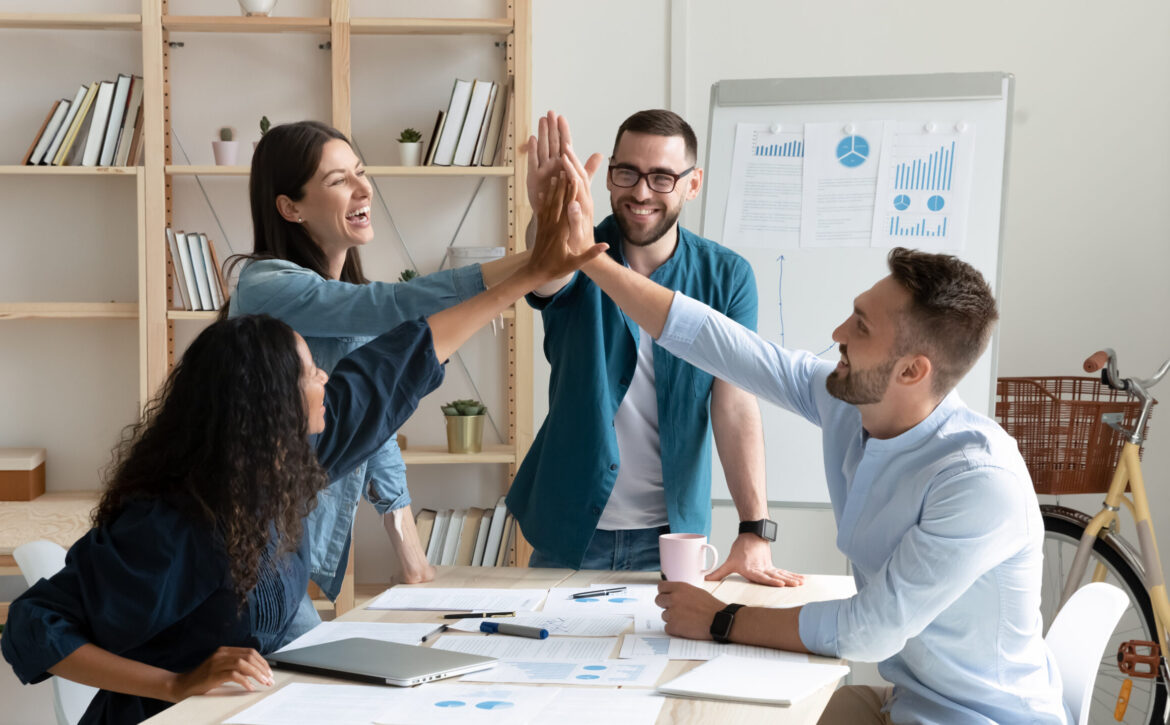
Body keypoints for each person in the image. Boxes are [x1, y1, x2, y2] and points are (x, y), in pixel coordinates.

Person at [0, 173, 605, 725]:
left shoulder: (291, 463)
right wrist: (175, 682)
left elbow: (407, 356)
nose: (325, 381)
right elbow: (33, 624)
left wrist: (529, 278)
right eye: (311, 372)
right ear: (270, 408)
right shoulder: (173, 520)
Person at [548, 157, 1067, 723]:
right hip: (910, 700)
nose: (838, 334)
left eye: (862, 328)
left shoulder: (977, 481)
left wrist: (719, 618)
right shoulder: (852, 404)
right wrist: (593, 265)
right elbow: (721, 343)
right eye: (853, 315)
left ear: (912, 372)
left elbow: (869, 631)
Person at [229, 121, 530, 618]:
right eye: (338, 180)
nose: (364, 188)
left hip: (286, 546)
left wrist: (411, 557)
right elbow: (393, 304)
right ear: (290, 208)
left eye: (361, 172)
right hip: (243, 546)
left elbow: (377, 424)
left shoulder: (344, 301)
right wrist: (529, 266)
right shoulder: (266, 285)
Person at [508, 110, 799, 585]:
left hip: (673, 538)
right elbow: (548, 271)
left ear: (693, 183)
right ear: (610, 176)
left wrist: (754, 528)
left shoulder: (727, 276)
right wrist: (546, 218)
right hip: (570, 529)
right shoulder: (581, 248)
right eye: (628, 173)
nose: (641, 192)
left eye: (662, 177)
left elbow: (735, 403)